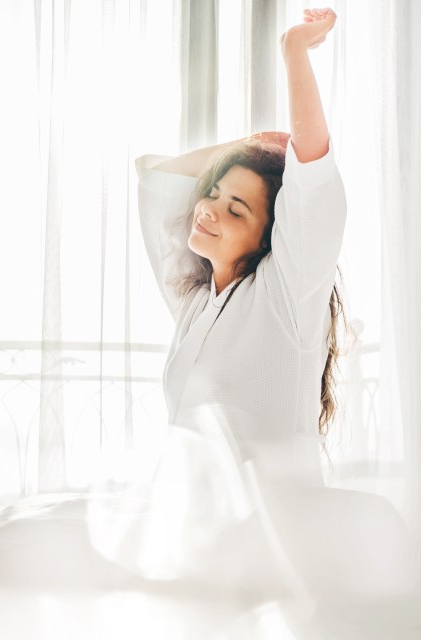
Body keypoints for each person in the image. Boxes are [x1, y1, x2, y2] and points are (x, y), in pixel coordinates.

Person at [135, 8, 349, 489]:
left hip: (270, 534)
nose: (208, 209)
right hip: (191, 525)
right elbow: (154, 175)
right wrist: (246, 147)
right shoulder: (197, 302)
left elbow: (313, 180)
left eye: (236, 210)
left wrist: (294, 49)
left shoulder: (285, 296)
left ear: (272, 237)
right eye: (212, 193)